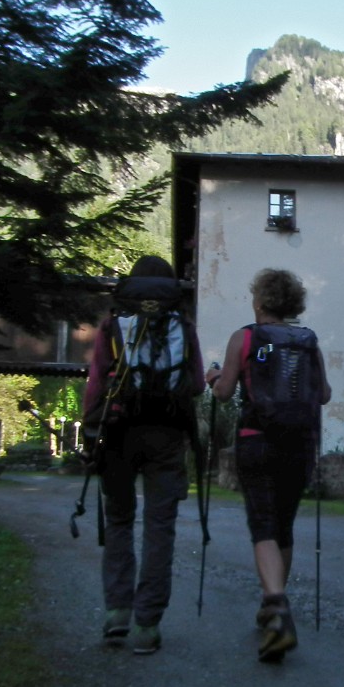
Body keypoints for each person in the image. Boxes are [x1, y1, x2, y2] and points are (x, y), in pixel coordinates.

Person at [206, 268, 331, 662]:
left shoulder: (245, 338)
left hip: (256, 441)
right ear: (292, 304)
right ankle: (271, 607)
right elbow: (324, 394)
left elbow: (225, 393)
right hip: (300, 444)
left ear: (259, 302)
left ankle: (275, 605)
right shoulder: (307, 341)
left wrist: (213, 377)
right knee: (284, 527)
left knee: (262, 524)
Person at [82, 255, 204, 655]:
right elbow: (197, 383)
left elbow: (98, 379)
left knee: (118, 521)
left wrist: (90, 426)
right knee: (159, 527)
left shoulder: (114, 323)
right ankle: (147, 626)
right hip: (167, 435)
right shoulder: (182, 324)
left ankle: (117, 612)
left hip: (118, 432)